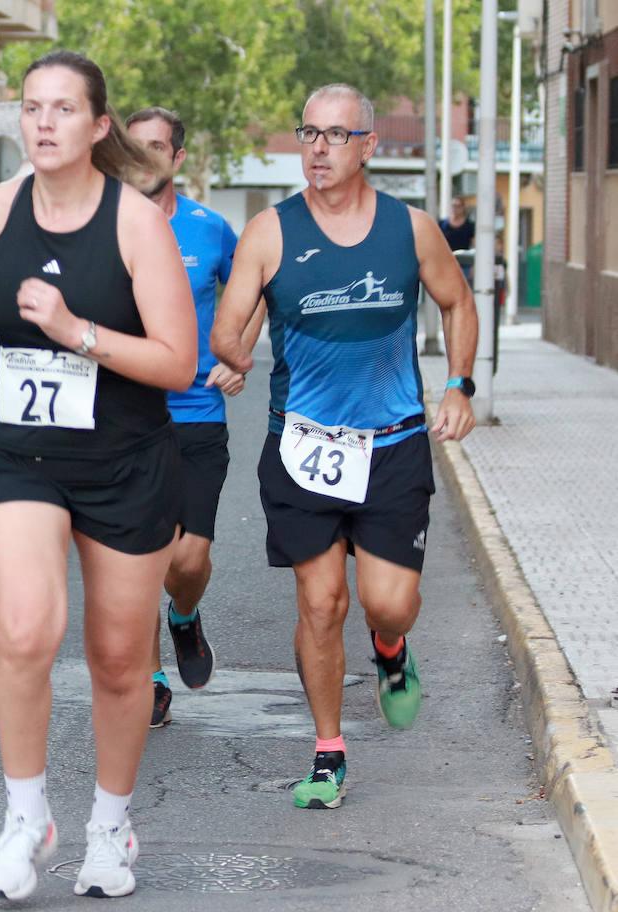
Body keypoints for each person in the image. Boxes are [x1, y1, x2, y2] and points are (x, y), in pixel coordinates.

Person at [0, 51, 197, 899]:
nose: (43, 122)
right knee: (23, 632)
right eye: (32, 107)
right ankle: (24, 820)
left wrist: (80, 331)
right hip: (19, 453)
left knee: (120, 659)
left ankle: (110, 828)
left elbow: (178, 362)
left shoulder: (135, 224)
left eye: (62, 109)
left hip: (126, 461)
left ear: (97, 126)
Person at [211, 84, 478, 811]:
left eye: (336, 134)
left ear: (369, 146)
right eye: (309, 133)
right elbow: (228, 327)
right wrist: (233, 353)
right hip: (304, 446)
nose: (319, 147)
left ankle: (390, 649)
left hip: (392, 446)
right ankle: (329, 751)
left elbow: (456, 301)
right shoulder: (271, 231)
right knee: (320, 602)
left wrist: (459, 385)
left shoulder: (410, 230)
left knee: (388, 604)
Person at [126, 107, 265, 727]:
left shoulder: (210, 230)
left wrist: (239, 353)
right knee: (139, 556)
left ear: (178, 158)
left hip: (198, 413)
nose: (147, 157)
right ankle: (150, 676)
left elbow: (253, 293)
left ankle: (184, 615)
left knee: (187, 559)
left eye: (158, 146)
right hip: (126, 417)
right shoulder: (103, 226)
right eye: (136, 147)